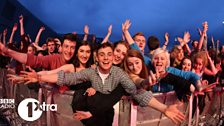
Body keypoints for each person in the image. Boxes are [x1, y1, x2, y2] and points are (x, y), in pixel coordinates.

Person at [20, 42, 185, 125]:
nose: (106, 58)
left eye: (109, 55)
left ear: (113, 58)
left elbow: (138, 89)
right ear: (97, 58)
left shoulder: (120, 75)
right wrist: (40, 78)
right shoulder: (90, 72)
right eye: (102, 55)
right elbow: (66, 78)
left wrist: (164, 108)